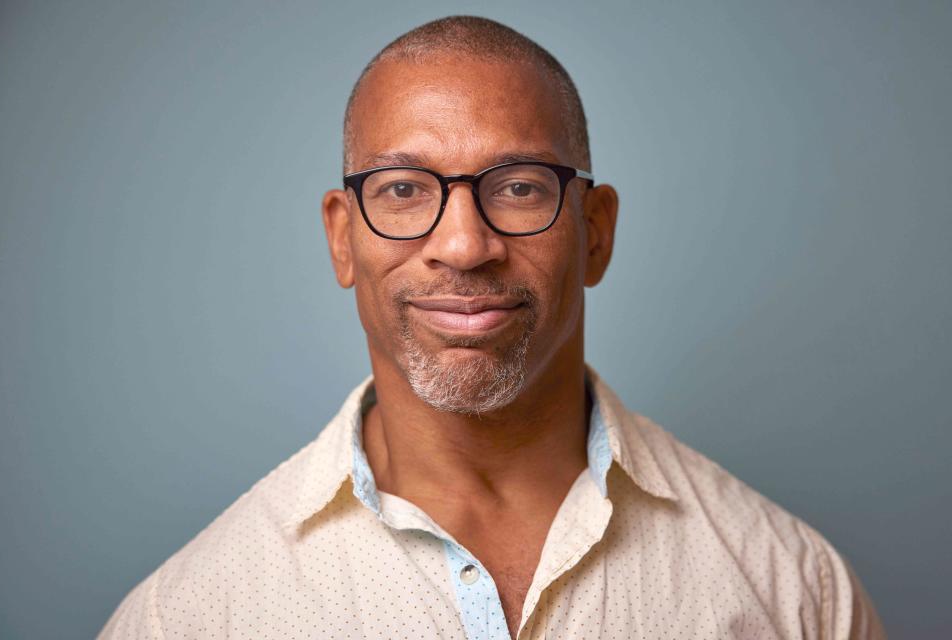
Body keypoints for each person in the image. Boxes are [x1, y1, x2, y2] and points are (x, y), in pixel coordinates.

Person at [100, 15, 885, 640]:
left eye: (517, 187)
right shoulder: (186, 618)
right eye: (403, 189)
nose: (464, 245)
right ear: (343, 237)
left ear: (596, 231)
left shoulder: (796, 593)